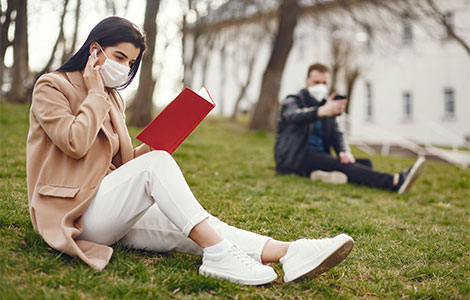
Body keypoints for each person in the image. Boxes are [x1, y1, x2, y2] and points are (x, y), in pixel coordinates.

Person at [27, 17, 354, 286]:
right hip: (74, 214)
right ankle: (220, 257)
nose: (125, 68)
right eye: (119, 57)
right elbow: (74, 142)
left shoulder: (112, 98)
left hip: (107, 205)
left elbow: (121, 166)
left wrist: (160, 140)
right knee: (160, 168)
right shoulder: (53, 86)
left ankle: (290, 252)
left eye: (131, 62)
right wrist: (96, 94)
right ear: (95, 51)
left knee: (201, 227)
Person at [275, 63, 425, 194]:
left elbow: (336, 134)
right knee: (347, 167)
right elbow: (293, 116)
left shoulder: (327, 106)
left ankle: (323, 174)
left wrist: (343, 151)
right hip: (296, 157)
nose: (320, 86)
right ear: (307, 81)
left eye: (324, 82)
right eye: (316, 82)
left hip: (320, 156)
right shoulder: (293, 100)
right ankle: (394, 181)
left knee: (364, 164)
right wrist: (320, 112)